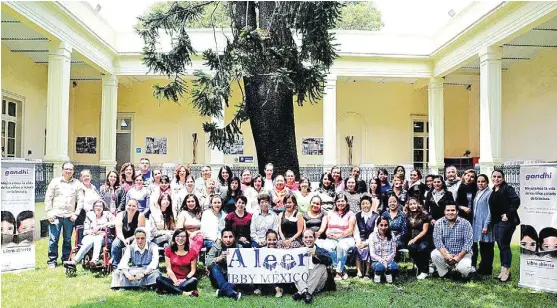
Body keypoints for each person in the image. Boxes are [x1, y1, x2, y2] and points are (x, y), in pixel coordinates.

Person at [44, 162, 84, 268]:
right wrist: (49, 213)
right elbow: (48, 198)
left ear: (73, 171)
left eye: (70, 169)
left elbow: (80, 200)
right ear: (62, 170)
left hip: (69, 216)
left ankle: (65, 259)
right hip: (55, 215)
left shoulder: (77, 183)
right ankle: (52, 261)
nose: (68, 171)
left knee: (67, 239)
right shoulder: (55, 182)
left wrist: (76, 214)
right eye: (66, 169)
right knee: (53, 239)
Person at [489, 169, 520, 282]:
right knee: (501, 245)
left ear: (503, 178)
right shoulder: (494, 190)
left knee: (504, 245)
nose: (496, 179)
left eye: (499, 177)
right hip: (497, 222)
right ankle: (503, 270)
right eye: (494, 176)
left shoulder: (507, 188)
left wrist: (508, 214)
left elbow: (516, 201)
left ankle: (506, 271)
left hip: (507, 221)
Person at [63, 199, 115, 267]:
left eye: (100, 206)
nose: (98, 208)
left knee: (98, 239)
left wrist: (102, 226)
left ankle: (78, 261)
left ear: (103, 207)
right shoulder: (89, 215)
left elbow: (115, 221)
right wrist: (91, 232)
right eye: (96, 206)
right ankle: (90, 261)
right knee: (90, 241)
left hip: (103, 238)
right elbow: (85, 230)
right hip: (90, 236)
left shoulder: (107, 214)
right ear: (93, 207)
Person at [318, 193, 356, 280]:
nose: (340, 203)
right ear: (335, 202)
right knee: (328, 247)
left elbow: (350, 229)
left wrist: (340, 236)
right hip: (331, 238)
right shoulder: (330, 213)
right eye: (338, 201)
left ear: (346, 202)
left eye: (342, 201)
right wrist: (327, 233)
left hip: (346, 238)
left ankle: (338, 272)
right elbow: (325, 228)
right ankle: (341, 269)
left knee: (341, 247)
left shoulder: (350, 214)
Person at [431, 203, 474, 280]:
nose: (450, 212)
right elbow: (438, 242)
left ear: (457, 211)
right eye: (448, 210)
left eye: (453, 210)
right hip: (446, 252)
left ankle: (460, 273)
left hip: (462, 254)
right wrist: (447, 256)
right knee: (434, 254)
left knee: (464, 268)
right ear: (444, 211)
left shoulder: (465, 223)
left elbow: (468, 243)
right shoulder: (438, 223)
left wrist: (457, 258)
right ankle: (445, 274)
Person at [292, 229, 333, 304]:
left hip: (317, 282)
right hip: (302, 280)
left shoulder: (320, 250)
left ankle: (302, 292)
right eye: (306, 237)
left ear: (315, 238)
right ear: (302, 239)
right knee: (295, 268)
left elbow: (329, 261)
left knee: (322, 267)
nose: (308, 239)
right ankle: (306, 293)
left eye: (310, 237)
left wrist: (316, 254)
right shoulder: (297, 251)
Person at [155, 228, 199, 297]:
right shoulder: (169, 251)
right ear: (174, 238)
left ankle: (168, 290)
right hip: (172, 280)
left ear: (187, 238)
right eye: (178, 236)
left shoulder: (192, 252)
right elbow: (168, 269)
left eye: (183, 236)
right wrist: (175, 281)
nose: (180, 238)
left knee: (194, 280)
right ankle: (184, 293)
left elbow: (193, 271)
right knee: (159, 279)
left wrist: (184, 280)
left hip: (186, 280)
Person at [206, 228, 242, 300]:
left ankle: (222, 291)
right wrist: (218, 258)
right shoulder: (216, 247)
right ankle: (231, 292)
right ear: (221, 238)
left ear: (234, 238)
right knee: (215, 267)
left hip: (234, 277)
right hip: (218, 277)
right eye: (225, 237)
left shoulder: (240, 247)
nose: (228, 240)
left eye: (230, 237)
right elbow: (207, 262)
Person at [111, 199, 146, 268]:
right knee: (115, 244)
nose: (131, 208)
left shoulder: (140, 215)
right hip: (122, 237)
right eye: (129, 205)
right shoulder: (120, 215)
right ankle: (116, 265)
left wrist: (129, 239)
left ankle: (138, 265)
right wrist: (124, 240)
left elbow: (140, 232)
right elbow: (119, 232)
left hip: (136, 237)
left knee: (138, 243)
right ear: (126, 206)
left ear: (137, 207)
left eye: (134, 206)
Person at [471, 174, 494, 275]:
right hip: (477, 223)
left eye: (483, 181)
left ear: (487, 182)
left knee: (487, 247)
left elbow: (491, 211)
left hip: (486, 224)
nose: (480, 183)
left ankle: (487, 269)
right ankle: (482, 267)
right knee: (482, 246)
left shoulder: (489, 193)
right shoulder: (478, 192)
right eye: (479, 182)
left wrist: (486, 225)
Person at [405, 197, 432, 280]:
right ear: (408, 206)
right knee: (412, 248)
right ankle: (421, 268)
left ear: (418, 204)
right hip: (411, 239)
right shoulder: (407, 215)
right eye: (411, 204)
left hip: (423, 239)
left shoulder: (424, 215)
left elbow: (424, 231)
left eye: (414, 203)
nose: (413, 206)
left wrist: (414, 239)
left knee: (422, 248)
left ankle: (424, 270)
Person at [253, 230, 285, 298]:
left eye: (274, 239)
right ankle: (260, 287)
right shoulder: (262, 250)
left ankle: (277, 289)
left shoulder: (281, 250)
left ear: (277, 239)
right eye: (269, 240)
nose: (272, 242)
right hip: (265, 274)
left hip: (277, 275)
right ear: (266, 240)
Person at [354, 195, 379, 279]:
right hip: (360, 239)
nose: (365, 205)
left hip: (371, 240)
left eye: (367, 203)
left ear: (371, 204)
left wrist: (366, 243)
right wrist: (358, 241)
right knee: (356, 248)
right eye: (363, 203)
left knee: (368, 248)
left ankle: (367, 272)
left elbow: (375, 232)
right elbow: (356, 230)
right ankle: (359, 272)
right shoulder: (357, 215)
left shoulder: (376, 216)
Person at [369, 217, 399, 283]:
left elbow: (394, 252)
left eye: (386, 225)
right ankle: (378, 273)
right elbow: (372, 253)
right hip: (376, 261)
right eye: (381, 225)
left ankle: (388, 273)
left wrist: (386, 260)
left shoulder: (392, 235)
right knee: (380, 267)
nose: (383, 227)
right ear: (377, 225)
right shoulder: (372, 236)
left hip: (389, 259)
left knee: (394, 267)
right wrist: (382, 261)